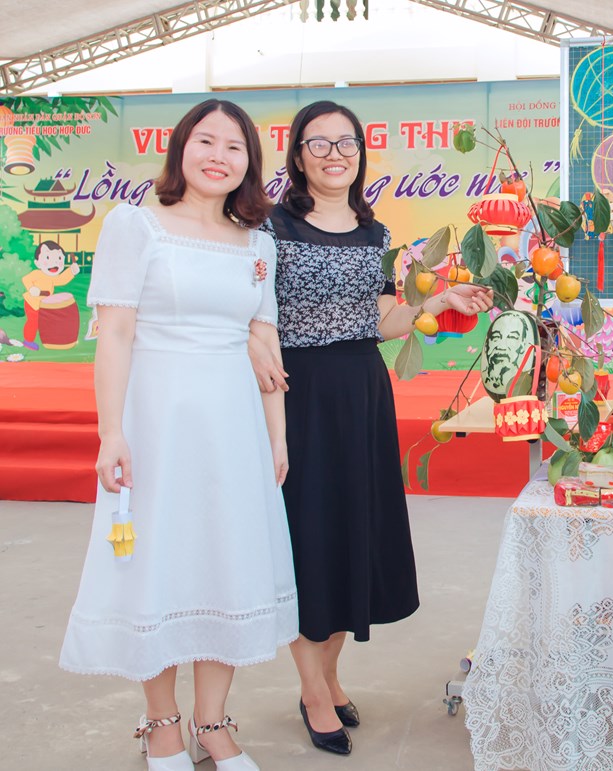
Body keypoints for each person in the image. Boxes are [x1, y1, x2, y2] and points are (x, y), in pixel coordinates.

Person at [59, 99, 298, 771]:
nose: (219, 156)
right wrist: (111, 433)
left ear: (250, 163)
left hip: (234, 428)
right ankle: (161, 723)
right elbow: (116, 334)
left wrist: (276, 439)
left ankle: (212, 721)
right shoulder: (135, 226)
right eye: (206, 141)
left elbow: (265, 345)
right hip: (156, 421)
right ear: (180, 149)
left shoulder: (259, 244)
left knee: (226, 562)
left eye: (235, 146)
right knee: (158, 564)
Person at [249, 100, 492, 755]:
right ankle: (313, 690)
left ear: (360, 153)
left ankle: (327, 678)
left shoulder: (372, 231)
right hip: (297, 393)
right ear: (297, 154)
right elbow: (251, 315)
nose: (335, 154)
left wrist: (436, 300)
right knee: (310, 541)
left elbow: (379, 321)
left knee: (352, 535)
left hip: (361, 390)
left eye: (346, 143)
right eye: (319, 143)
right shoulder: (271, 226)